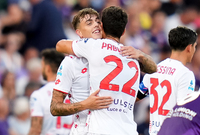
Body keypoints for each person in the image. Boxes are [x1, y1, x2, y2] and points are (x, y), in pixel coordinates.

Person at [51, 7, 157, 135]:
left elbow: (120, 97)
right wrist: (85, 104)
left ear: (102, 26)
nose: (95, 25)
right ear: (79, 33)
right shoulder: (71, 62)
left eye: (97, 21)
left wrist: (140, 54)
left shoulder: (122, 54)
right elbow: (55, 108)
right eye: (89, 23)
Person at [139, 26, 197, 135]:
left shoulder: (155, 69)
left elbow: (138, 95)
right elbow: (184, 112)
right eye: (195, 46)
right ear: (189, 48)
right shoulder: (185, 74)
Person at [28, 49, 73, 135]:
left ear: (48, 68)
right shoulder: (74, 92)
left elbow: (36, 130)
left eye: (42, 66)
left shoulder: (39, 95)